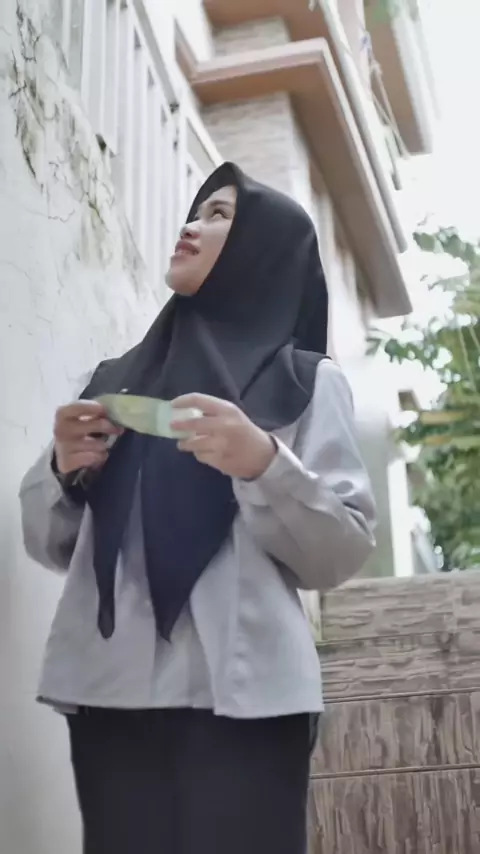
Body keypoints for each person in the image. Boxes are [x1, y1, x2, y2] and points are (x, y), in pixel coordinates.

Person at [19, 162, 376, 854]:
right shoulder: (111, 384)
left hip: (247, 697)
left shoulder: (306, 383)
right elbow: (49, 544)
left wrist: (265, 464)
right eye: (195, 210)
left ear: (261, 249)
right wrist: (63, 471)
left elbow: (338, 553)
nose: (191, 225)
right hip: (108, 693)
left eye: (220, 216)